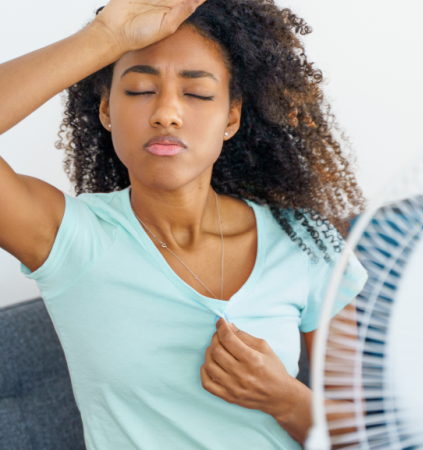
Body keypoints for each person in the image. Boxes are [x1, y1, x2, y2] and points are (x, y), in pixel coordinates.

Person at [0, 0, 368, 448]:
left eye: (196, 94)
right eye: (138, 90)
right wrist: (104, 39)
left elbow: (364, 435)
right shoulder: (69, 239)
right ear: (106, 110)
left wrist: (283, 398)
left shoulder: (305, 241)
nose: (167, 113)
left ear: (231, 117)